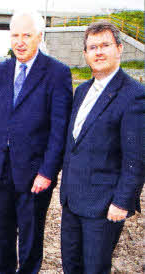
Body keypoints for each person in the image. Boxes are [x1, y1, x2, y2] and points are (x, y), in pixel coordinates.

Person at [0, 10, 73, 273]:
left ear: (39, 37)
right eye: (15, 35)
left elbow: (59, 129)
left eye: (27, 35)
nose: (20, 41)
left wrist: (47, 172)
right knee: (1, 232)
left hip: (34, 174)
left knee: (30, 236)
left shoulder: (57, 73)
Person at [60, 21, 144, 273]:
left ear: (119, 49)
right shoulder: (82, 90)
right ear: (85, 54)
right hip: (72, 200)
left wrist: (122, 202)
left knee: (95, 268)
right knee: (71, 265)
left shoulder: (134, 95)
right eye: (92, 47)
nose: (98, 52)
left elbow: (136, 157)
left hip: (104, 206)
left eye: (105, 45)